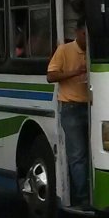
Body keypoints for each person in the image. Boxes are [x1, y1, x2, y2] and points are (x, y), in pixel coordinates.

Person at [46, 18, 89, 208]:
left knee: (92, 153)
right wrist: (75, 72)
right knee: (77, 154)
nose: (87, 39)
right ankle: (82, 196)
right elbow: (51, 75)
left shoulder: (95, 51)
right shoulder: (64, 50)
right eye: (84, 34)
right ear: (77, 33)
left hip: (92, 106)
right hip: (71, 107)